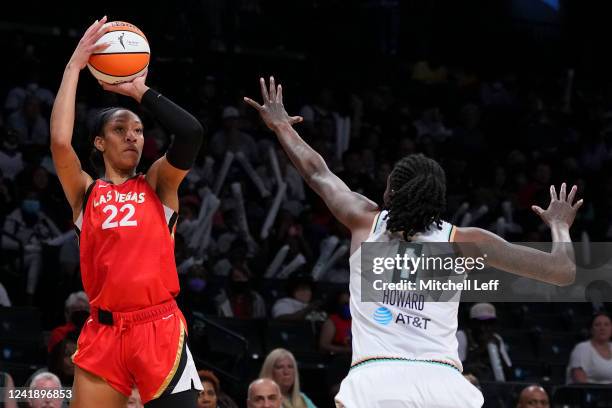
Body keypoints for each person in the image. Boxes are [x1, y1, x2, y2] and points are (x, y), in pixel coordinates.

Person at [245, 77, 582, 407]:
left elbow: (318, 173)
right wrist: (560, 226)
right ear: (438, 199)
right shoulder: (463, 241)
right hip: (442, 383)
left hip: (376, 378)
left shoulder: (364, 220)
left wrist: (282, 127)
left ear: (390, 192)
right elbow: (562, 271)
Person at [50, 17, 204, 407]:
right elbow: (59, 142)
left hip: (159, 328)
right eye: (120, 130)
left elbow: (190, 134)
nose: (133, 136)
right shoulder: (87, 192)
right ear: (100, 142)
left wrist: (139, 90)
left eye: (137, 130)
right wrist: (74, 66)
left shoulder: (157, 184)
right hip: (103, 332)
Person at [456, 303, 513, 381]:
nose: (486, 327)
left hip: (492, 384)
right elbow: (457, 367)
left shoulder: (496, 339)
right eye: (482, 323)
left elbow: (509, 371)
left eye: (490, 323)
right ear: (472, 323)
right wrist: (482, 348)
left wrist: (497, 351)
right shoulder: (462, 336)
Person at [567, 312, 612, 384]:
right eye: (597, 325)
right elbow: (580, 383)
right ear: (591, 330)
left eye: (606, 325)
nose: (602, 328)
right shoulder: (582, 348)